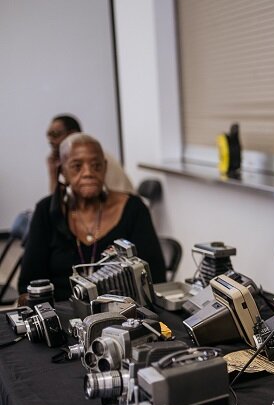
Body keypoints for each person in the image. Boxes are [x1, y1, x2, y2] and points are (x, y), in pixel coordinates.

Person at [19, 133, 166, 303]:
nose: (88, 173)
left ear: (105, 168)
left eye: (96, 165)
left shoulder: (133, 208)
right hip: (60, 315)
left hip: (123, 318)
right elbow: (28, 286)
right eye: (77, 166)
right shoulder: (47, 211)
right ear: (63, 171)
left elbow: (155, 278)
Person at [45, 114, 134, 194]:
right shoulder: (64, 163)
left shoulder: (98, 156)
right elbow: (57, 203)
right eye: (48, 135)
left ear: (73, 134)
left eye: (55, 134)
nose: (50, 141)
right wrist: (53, 173)